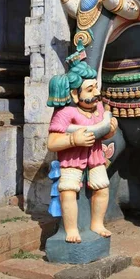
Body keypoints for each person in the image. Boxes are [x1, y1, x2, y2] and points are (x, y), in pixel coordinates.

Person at [47, 42, 118, 243]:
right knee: (68, 191)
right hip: (72, 159)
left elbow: (102, 135)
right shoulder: (66, 113)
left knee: (102, 189)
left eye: (96, 87)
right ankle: (71, 229)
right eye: (90, 89)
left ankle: (97, 223)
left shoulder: (99, 110)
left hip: (95, 157)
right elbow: (52, 142)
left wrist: (110, 129)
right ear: (74, 94)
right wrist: (73, 139)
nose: (96, 93)